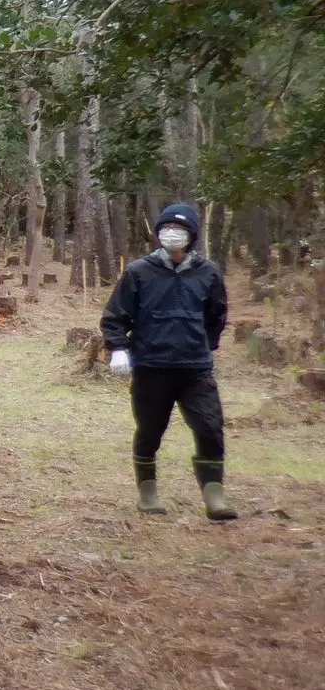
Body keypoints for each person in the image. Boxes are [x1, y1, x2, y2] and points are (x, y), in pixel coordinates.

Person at [102, 203, 235, 521]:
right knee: (149, 431)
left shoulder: (208, 273)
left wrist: (201, 347)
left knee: (210, 428)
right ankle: (148, 495)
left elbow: (216, 317)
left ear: (192, 235)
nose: (171, 233)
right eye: (165, 228)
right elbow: (115, 316)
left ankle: (214, 496)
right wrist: (119, 349)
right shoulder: (139, 271)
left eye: (179, 229)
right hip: (151, 368)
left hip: (195, 370)